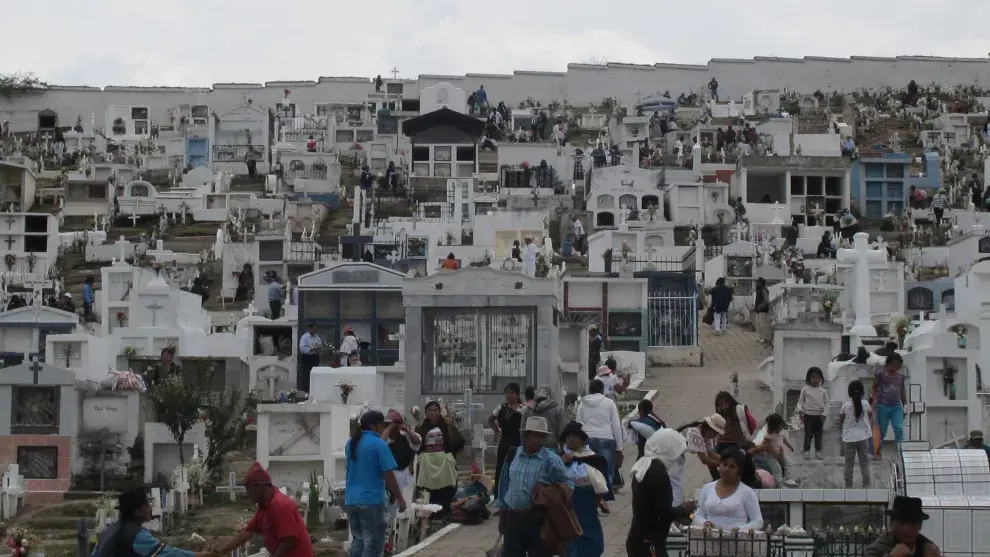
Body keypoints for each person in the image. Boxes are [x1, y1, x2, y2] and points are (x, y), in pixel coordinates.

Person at [499, 416, 570, 557]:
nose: (538, 440)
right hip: (513, 518)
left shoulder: (550, 459)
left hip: (537, 519)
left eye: (541, 436)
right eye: (535, 435)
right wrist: (502, 514)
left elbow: (568, 485)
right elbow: (506, 484)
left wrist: (550, 493)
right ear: (526, 436)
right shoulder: (515, 454)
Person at [216, 462, 315, 557]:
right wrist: (220, 552)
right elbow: (246, 533)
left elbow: (289, 540)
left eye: (250, 490)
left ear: (260, 486)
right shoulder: (263, 506)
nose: (248, 495)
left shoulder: (280, 504)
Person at [627, 429, 696, 557]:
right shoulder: (657, 473)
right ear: (668, 448)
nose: (680, 458)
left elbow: (652, 506)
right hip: (649, 543)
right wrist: (684, 509)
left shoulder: (644, 465)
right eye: (679, 452)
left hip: (639, 537)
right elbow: (663, 513)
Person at [91, 488, 209, 557]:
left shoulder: (109, 530)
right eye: (147, 505)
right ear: (137, 511)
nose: (151, 509)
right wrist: (201, 555)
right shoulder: (136, 535)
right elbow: (168, 554)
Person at [559, 422, 609, 557]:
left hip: (587, 504)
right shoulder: (558, 458)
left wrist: (600, 498)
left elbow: (601, 481)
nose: (571, 439)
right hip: (567, 505)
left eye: (575, 436)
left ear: (582, 439)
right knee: (571, 538)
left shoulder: (593, 459)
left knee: (591, 539)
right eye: (568, 436)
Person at [692, 447, 763, 531]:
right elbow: (696, 516)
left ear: (739, 470)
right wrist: (704, 522)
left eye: (732, 466)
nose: (726, 469)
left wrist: (739, 529)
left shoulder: (747, 492)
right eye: (724, 464)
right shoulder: (707, 488)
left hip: (736, 540)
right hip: (709, 539)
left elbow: (758, 521)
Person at [414, 400, 464, 515]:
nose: (433, 413)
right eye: (430, 410)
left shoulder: (447, 425)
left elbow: (459, 441)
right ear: (426, 412)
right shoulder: (420, 427)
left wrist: (450, 454)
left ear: (439, 411)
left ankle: (443, 511)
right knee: (427, 487)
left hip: (444, 460)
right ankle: (430, 513)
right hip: (427, 461)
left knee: (445, 486)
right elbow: (416, 444)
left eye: (435, 410)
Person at [576, 379, 622, 499]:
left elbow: (578, 424)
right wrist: (619, 447)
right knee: (606, 472)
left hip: (586, 440)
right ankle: (603, 499)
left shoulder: (582, 403)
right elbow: (616, 425)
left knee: (588, 471)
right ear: (602, 390)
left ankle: (590, 498)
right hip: (606, 439)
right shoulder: (609, 403)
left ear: (590, 390)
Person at [864, 496, 941, 557]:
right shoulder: (877, 549)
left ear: (919, 526)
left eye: (912, 523)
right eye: (902, 523)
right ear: (891, 523)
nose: (906, 528)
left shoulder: (927, 547)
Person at [383, 410, 421, 518]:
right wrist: (389, 427)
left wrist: (405, 429)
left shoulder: (405, 437)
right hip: (390, 474)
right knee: (390, 504)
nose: (393, 429)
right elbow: (379, 444)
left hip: (405, 473)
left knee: (406, 503)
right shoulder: (384, 439)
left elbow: (417, 442)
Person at [871, 352, 907, 454]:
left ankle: (900, 452)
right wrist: (873, 401)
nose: (895, 368)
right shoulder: (880, 375)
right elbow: (874, 388)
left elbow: (902, 392)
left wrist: (905, 406)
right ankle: (877, 451)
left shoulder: (901, 377)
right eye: (893, 365)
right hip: (883, 406)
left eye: (897, 366)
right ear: (887, 364)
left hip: (896, 407)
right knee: (882, 432)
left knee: (898, 428)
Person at [839, 379, 873, 488]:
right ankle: (866, 484)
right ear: (862, 392)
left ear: (850, 392)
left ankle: (848, 485)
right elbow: (870, 415)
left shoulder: (845, 406)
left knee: (849, 464)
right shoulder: (866, 404)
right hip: (863, 437)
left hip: (848, 438)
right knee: (864, 462)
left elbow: (841, 419)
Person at [712, 392, 752, 480]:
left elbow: (750, 424)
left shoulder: (738, 412)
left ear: (730, 403)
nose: (723, 407)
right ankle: (716, 479)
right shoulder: (718, 416)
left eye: (725, 404)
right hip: (721, 445)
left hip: (736, 444)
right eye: (720, 405)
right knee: (711, 460)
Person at [519, 385, 567, 450]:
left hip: (531, 446)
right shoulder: (557, 409)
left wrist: (524, 447)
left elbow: (522, 431)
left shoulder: (527, 409)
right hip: (550, 447)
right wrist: (562, 450)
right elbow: (561, 432)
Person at [749, 413, 793, 485]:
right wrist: (775, 454)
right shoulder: (769, 434)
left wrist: (789, 446)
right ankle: (779, 485)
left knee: (787, 463)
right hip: (766, 454)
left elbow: (782, 438)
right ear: (774, 428)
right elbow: (765, 446)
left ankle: (787, 480)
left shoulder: (779, 430)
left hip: (773, 452)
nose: (781, 429)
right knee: (777, 470)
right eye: (780, 428)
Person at [797, 366, 830, 459]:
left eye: (818, 377)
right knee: (808, 434)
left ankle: (818, 451)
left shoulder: (823, 391)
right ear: (809, 378)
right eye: (813, 377)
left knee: (818, 435)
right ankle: (806, 451)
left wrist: (824, 414)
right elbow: (801, 402)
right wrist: (800, 411)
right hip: (808, 415)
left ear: (821, 379)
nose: (815, 380)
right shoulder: (805, 389)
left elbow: (827, 403)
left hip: (819, 416)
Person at [297, 323, 322, 393]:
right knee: (306, 375)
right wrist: (311, 349)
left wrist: (319, 349)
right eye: (314, 329)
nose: (315, 330)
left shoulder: (317, 337)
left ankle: (314, 390)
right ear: (309, 329)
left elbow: (320, 345)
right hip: (307, 358)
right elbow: (302, 348)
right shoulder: (304, 337)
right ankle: (306, 391)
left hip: (315, 357)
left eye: (316, 329)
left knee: (315, 374)